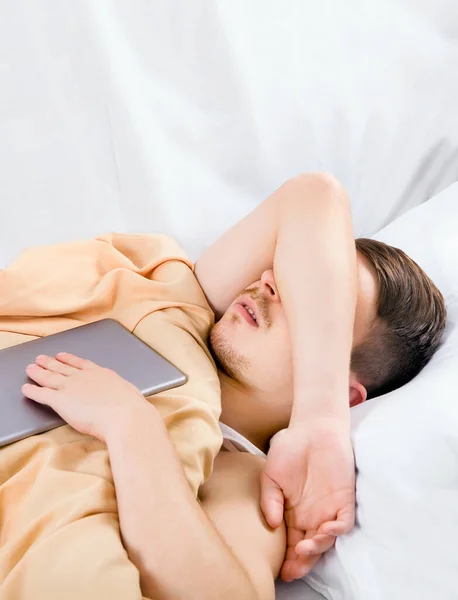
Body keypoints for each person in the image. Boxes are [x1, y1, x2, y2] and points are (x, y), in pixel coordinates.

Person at [20, 172, 446, 599]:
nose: (270, 281)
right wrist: (320, 420)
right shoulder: (181, 302)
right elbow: (314, 196)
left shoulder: (244, 478)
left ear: (344, 386)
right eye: (292, 276)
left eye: (303, 303)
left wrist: (130, 425)